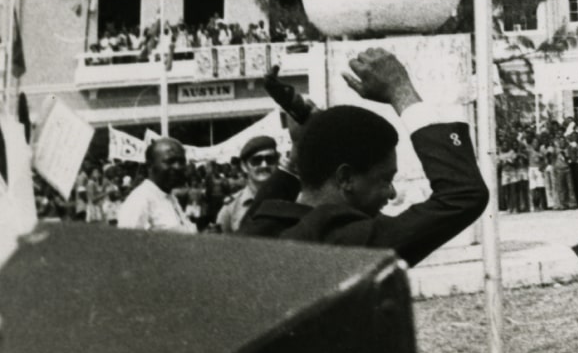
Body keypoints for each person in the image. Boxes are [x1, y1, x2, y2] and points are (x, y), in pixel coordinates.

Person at [239, 46, 488, 265]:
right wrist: (401, 91)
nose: (391, 193)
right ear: (346, 178)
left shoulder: (259, 234)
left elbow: (265, 212)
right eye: (385, 179)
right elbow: (464, 195)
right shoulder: (343, 244)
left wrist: (299, 153)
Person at [117, 137, 195, 233]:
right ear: (149, 166)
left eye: (182, 162)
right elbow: (126, 244)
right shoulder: (139, 200)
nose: (177, 167)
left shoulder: (169, 197)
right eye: (170, 161)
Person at [214, 135, 285, 234]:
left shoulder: (290, 199)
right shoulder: (231, 208)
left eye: (270, 159)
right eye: (256, 160)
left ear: (277, 162)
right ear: (244, 166)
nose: (264, 165)